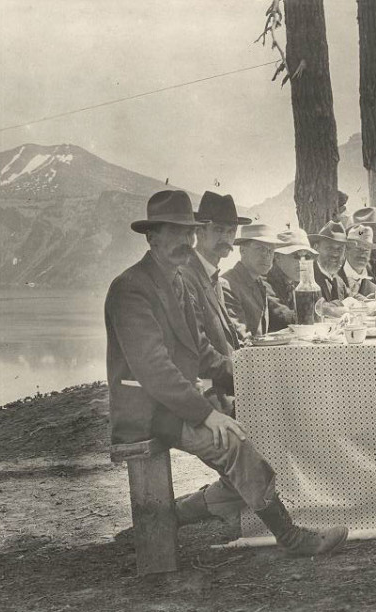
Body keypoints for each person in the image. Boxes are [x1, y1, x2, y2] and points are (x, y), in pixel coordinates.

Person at [104, 190, 346, 556]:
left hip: (175, 403)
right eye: (173, 233)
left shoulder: (179, 282)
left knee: (262, 425)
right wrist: (207, 413)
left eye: (188, 233)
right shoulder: (130, 288)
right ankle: (291, 537)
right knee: (232, 443)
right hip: (146, 413)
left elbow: (201, 352)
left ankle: (171, 514)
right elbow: (155, 371)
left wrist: (252, 383)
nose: (184, 241)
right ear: (151, 237)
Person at [183, 191, 251, 358]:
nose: (226, 238)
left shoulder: (213, 276)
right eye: (219, 230)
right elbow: (198, 347)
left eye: (231, 231)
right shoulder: (185, 275)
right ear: (199, 231)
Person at [222, 224, 284, 337]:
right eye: (260, 249)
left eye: (271, 251)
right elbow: (239, 337)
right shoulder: (228, 284)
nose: (266, 256)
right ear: (243, 251)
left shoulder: (259, 283)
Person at [266, 227, 319, 312]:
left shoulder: (296, 283)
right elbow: (282, 316)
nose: (303, 262)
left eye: (306, 256)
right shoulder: (265, 284)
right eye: (297, 256)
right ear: (278, 257)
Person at [308, 221, 351, 302]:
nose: (335, 254)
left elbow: (351, 300)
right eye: (329, 248)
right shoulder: (308, 280)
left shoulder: (340, 283)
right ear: (316, 248)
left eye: (340, 249)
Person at [340, 225, 376, 297]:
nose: (362, 254)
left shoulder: (374, 283)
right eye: (358, 249)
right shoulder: (333, 277)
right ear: (346, 250)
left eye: (366, 250)